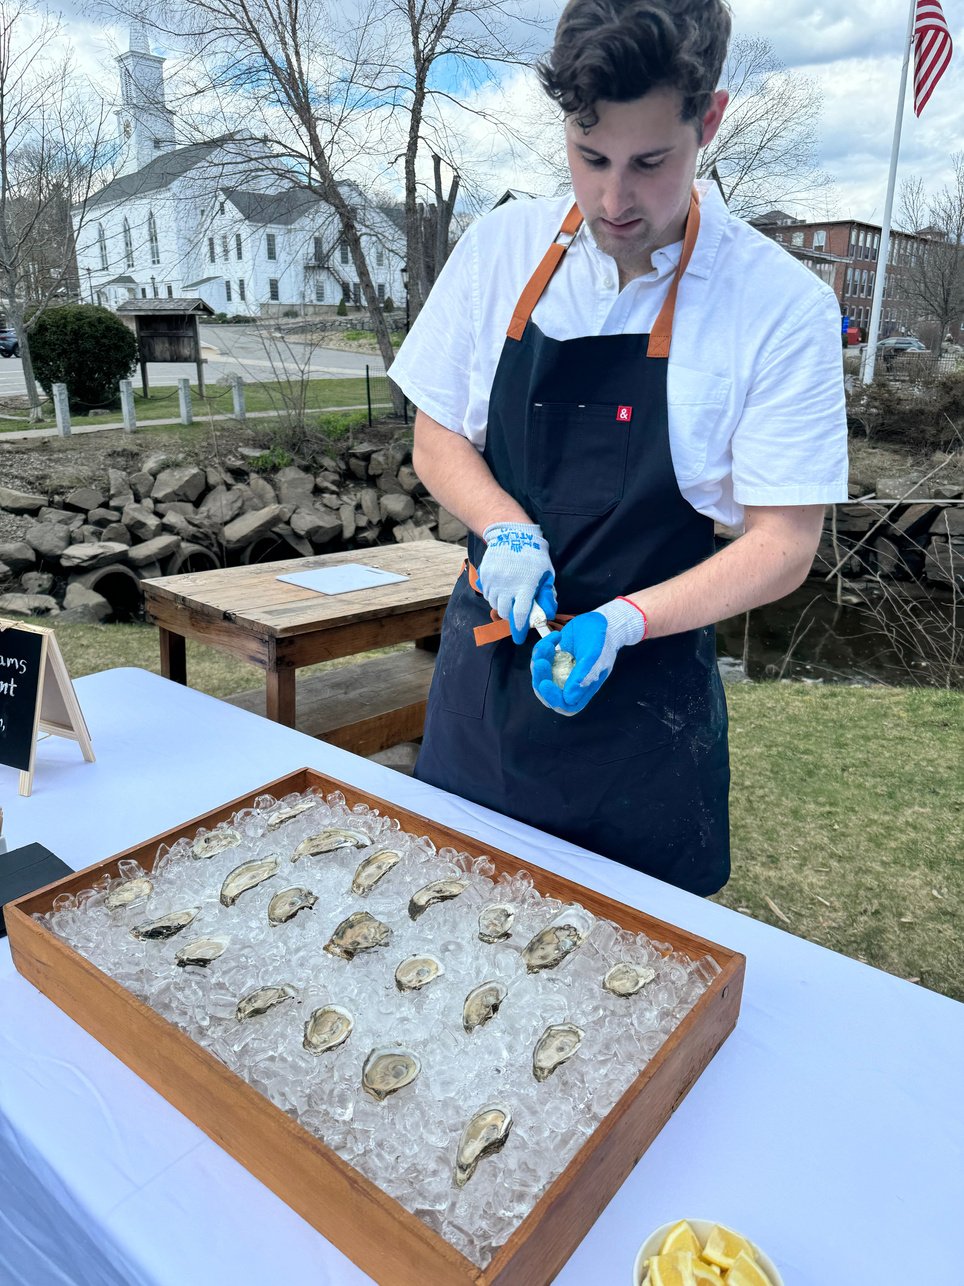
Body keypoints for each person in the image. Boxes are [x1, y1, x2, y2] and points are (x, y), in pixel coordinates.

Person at [387, 0, 848, 896]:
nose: (612, 199)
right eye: (588, 157)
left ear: (707, 123)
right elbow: (437, 435)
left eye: (650, 163)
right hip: (484, 693)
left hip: (644, 726)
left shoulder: (780, 307)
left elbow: (784, 544)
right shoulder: (499, 250)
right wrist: (505, 528)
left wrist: (626, 620)